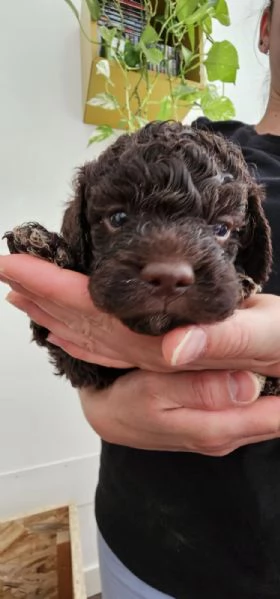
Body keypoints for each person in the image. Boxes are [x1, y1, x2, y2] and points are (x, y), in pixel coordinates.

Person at [1, 1, 280, 597]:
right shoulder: (199, 144)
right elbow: (76, 317)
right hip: (149, 547)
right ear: (264, 27)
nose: (173, 265)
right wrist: (91, 373)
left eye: (220, 230)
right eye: (122, 216)